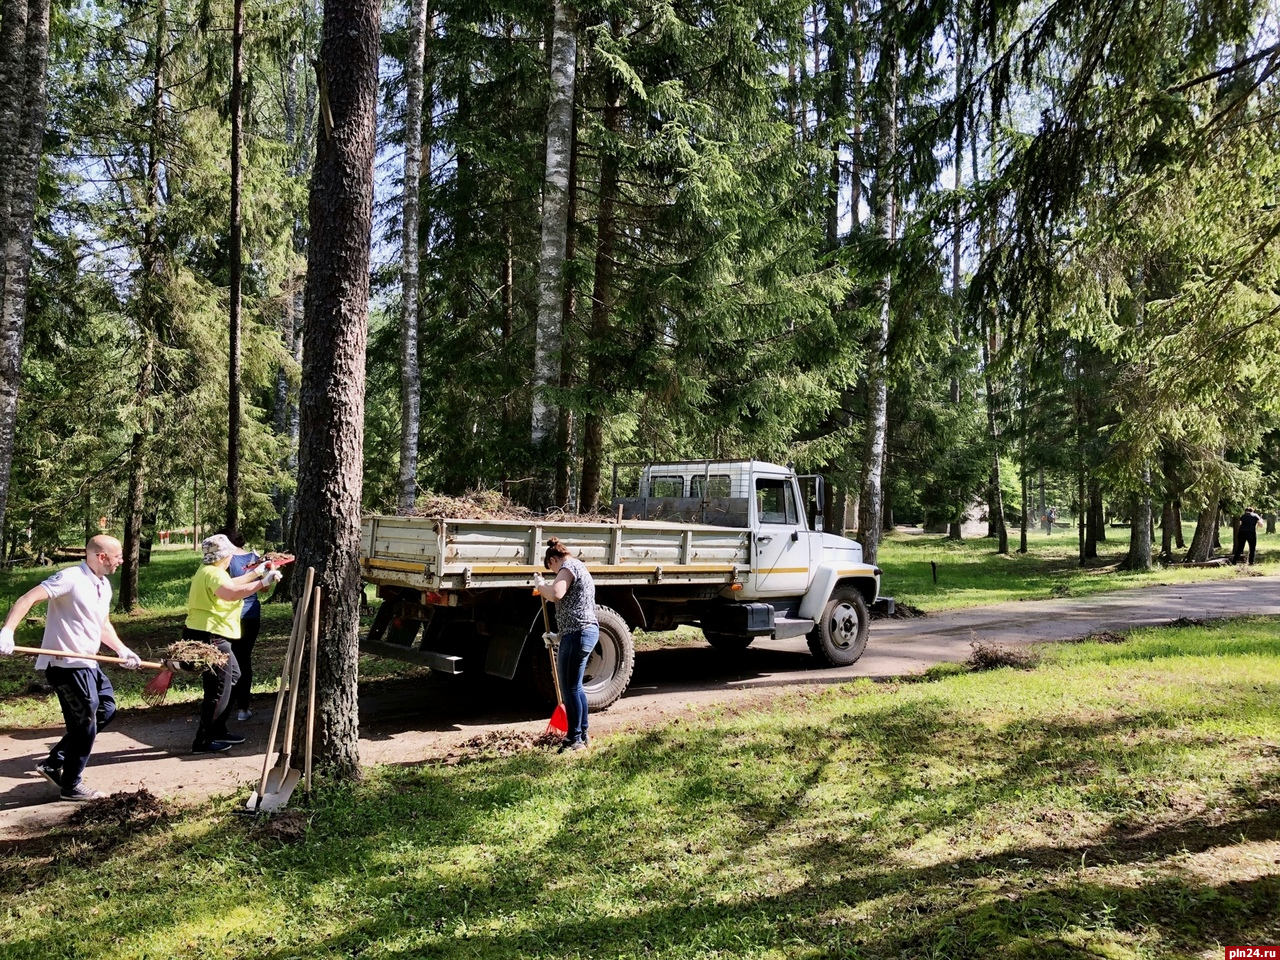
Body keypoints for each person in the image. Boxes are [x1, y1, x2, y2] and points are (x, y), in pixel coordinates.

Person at [0, 535, 141, 801]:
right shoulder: (70, 577)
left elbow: (101, 625)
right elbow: (28, 598)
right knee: (85, 722)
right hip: (66, 665)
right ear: (102, 556)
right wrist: (7, 631)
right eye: (118, 556)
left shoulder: (103, 585)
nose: (121, 560)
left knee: (106, 709)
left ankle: (54, 762)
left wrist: (121, 649)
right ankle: (71, 785)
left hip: (88, 662)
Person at [185, 534, 280, 753]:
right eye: (230, 553)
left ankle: (217, 729)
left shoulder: (210, 571)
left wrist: (256, 573)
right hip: (212, 635)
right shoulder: (214, 573)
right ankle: (204, 740)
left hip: (213, 633)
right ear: (224, 556)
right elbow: (230, 593)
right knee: (220, 686)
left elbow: (232, 583)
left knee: (232, 677)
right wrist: (263, 582)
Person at [534, 537, 599, 753]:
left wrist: (542, 585)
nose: (554, 573)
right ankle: (582, 733)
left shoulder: (568, 566)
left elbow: (557, 594)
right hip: (582, 632)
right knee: (576, 687)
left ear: (553, 560)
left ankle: (574, 740)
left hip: (578, 634)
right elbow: (575, 605)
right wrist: (558, 636)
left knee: (570, 688)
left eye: (551, 569)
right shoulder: (580, 566)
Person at [224, 532, 262, 722]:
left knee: (228, 661)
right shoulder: (254, 558)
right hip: (251, 614)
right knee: (243, 659)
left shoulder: (224, 559)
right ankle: (242, 708)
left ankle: (227, 705)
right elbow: (263, 588)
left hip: (230, 616)